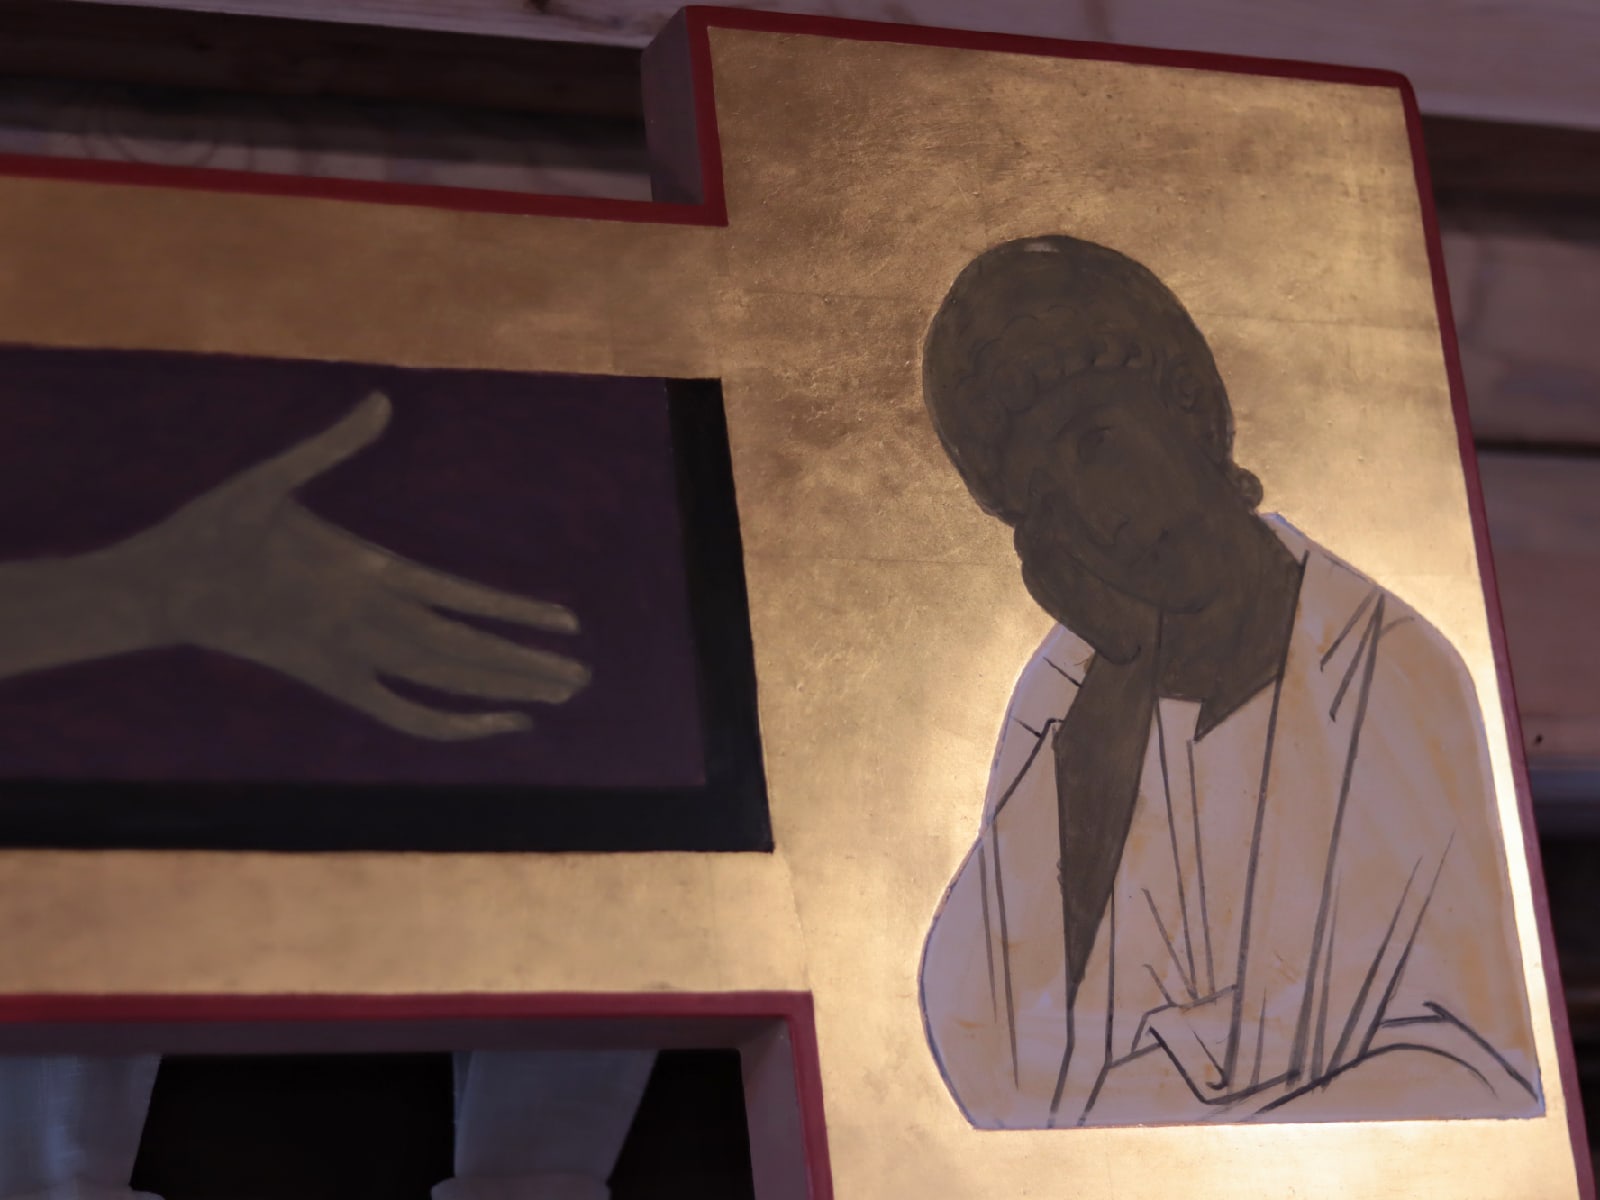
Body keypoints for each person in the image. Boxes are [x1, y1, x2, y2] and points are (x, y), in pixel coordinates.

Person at [917, 235, 1541, 1128]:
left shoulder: (1384, 671)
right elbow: (991, 1059)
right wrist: (1110, 712)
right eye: (1045, 503)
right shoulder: (1065, 695)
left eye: (1096, 444)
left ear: (1189, 407)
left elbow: (1471, 1067)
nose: (1098, 516)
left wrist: (1147, 1083)